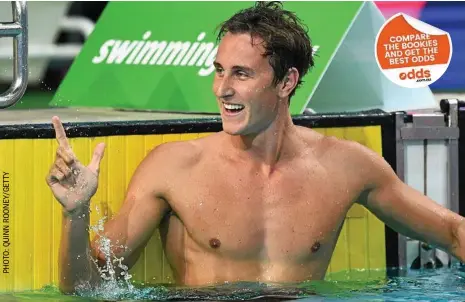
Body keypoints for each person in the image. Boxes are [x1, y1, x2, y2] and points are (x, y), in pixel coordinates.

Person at [46, 1, 465, 294]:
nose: (222, 89)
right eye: (218, 71)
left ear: (286, 82)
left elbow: (453, 232)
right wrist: (76, 213)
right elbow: (85, 287)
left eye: (241, 74)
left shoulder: (347, 167)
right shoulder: (174, 168)